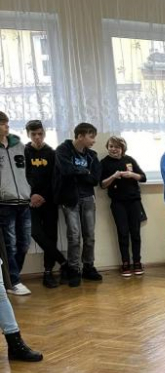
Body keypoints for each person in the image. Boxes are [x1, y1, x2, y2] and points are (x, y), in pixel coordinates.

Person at [53, 122, 102, 287]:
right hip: (69, 199)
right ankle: (74, 269)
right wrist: (85, 171)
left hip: (88, 198)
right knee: (74, 236)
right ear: (80, 136)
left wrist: (78, 172)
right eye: (91, 137)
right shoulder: (63, 150)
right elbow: (66, 171)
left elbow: (95, 179)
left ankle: (88, 266)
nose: (94, 140)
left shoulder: (92, 155)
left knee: (90, 236)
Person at [24, 119, 67, 289]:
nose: (37, 137)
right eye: (33, 134)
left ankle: (48, 272)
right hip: (30, 202)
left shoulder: (51, 153)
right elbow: (22, 176)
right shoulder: (23, 152)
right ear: (28, 134)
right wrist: (32, 195)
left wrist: (43, 195)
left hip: (48, 201)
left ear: (44, 133)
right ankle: (63, 262)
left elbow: (55, 179)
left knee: (51, 235)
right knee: (35, 233)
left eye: (40, 133)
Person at [100, 136, 147, 277]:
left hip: (134, 201)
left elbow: (143, 178)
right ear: (107, 147)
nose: (113, 149)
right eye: (111, 146)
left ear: (122, 148)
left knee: (135, 233)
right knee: (123, 233)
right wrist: (114, 177)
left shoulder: (129, 160)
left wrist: (131, 174)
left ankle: (137, 262)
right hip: (118, 203)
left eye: (117, 147)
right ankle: (125, 263)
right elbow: (102, 185)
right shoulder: (104, 163)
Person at [0, 111, 32, 296]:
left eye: (7, 122)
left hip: (24, 201)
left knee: (24, 243)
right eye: (2, 123)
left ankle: (11, 277)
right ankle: (13, 282)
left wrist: (30, 190)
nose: (7, 126)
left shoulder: (18, 145)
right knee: (9, 244)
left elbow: (28, 171)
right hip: (5, 203)